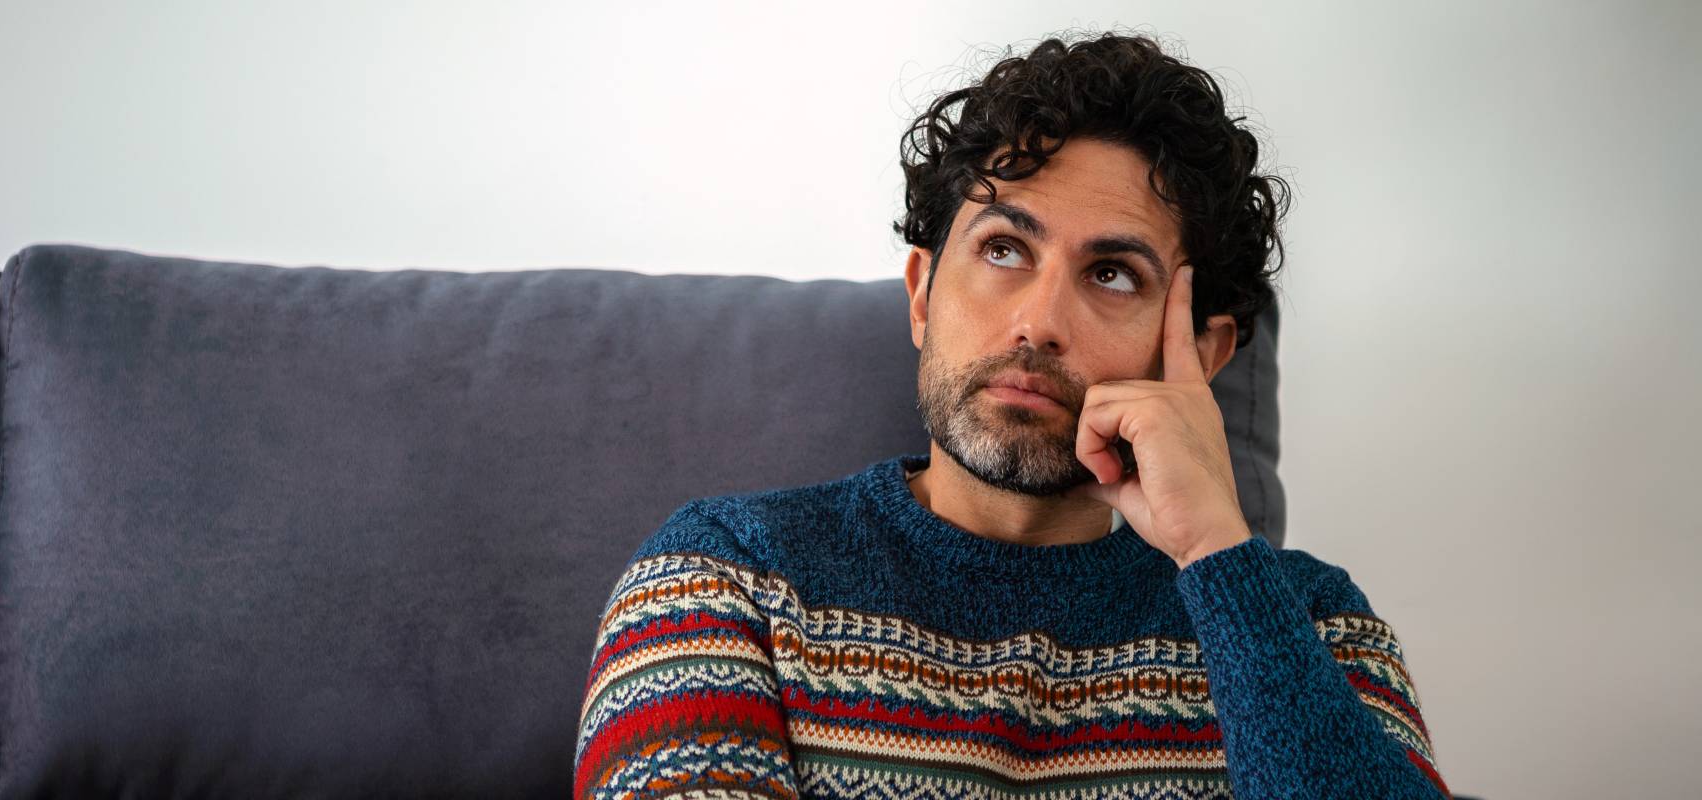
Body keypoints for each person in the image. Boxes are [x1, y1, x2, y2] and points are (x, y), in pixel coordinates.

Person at [573, 29, 1451, 799]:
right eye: (1003, 249)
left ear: (1203, 355)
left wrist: (1217, 554)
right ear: (922, 296)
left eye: (1112, 274)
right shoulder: (723, 578)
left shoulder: (1313, 626)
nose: (1040, 321)